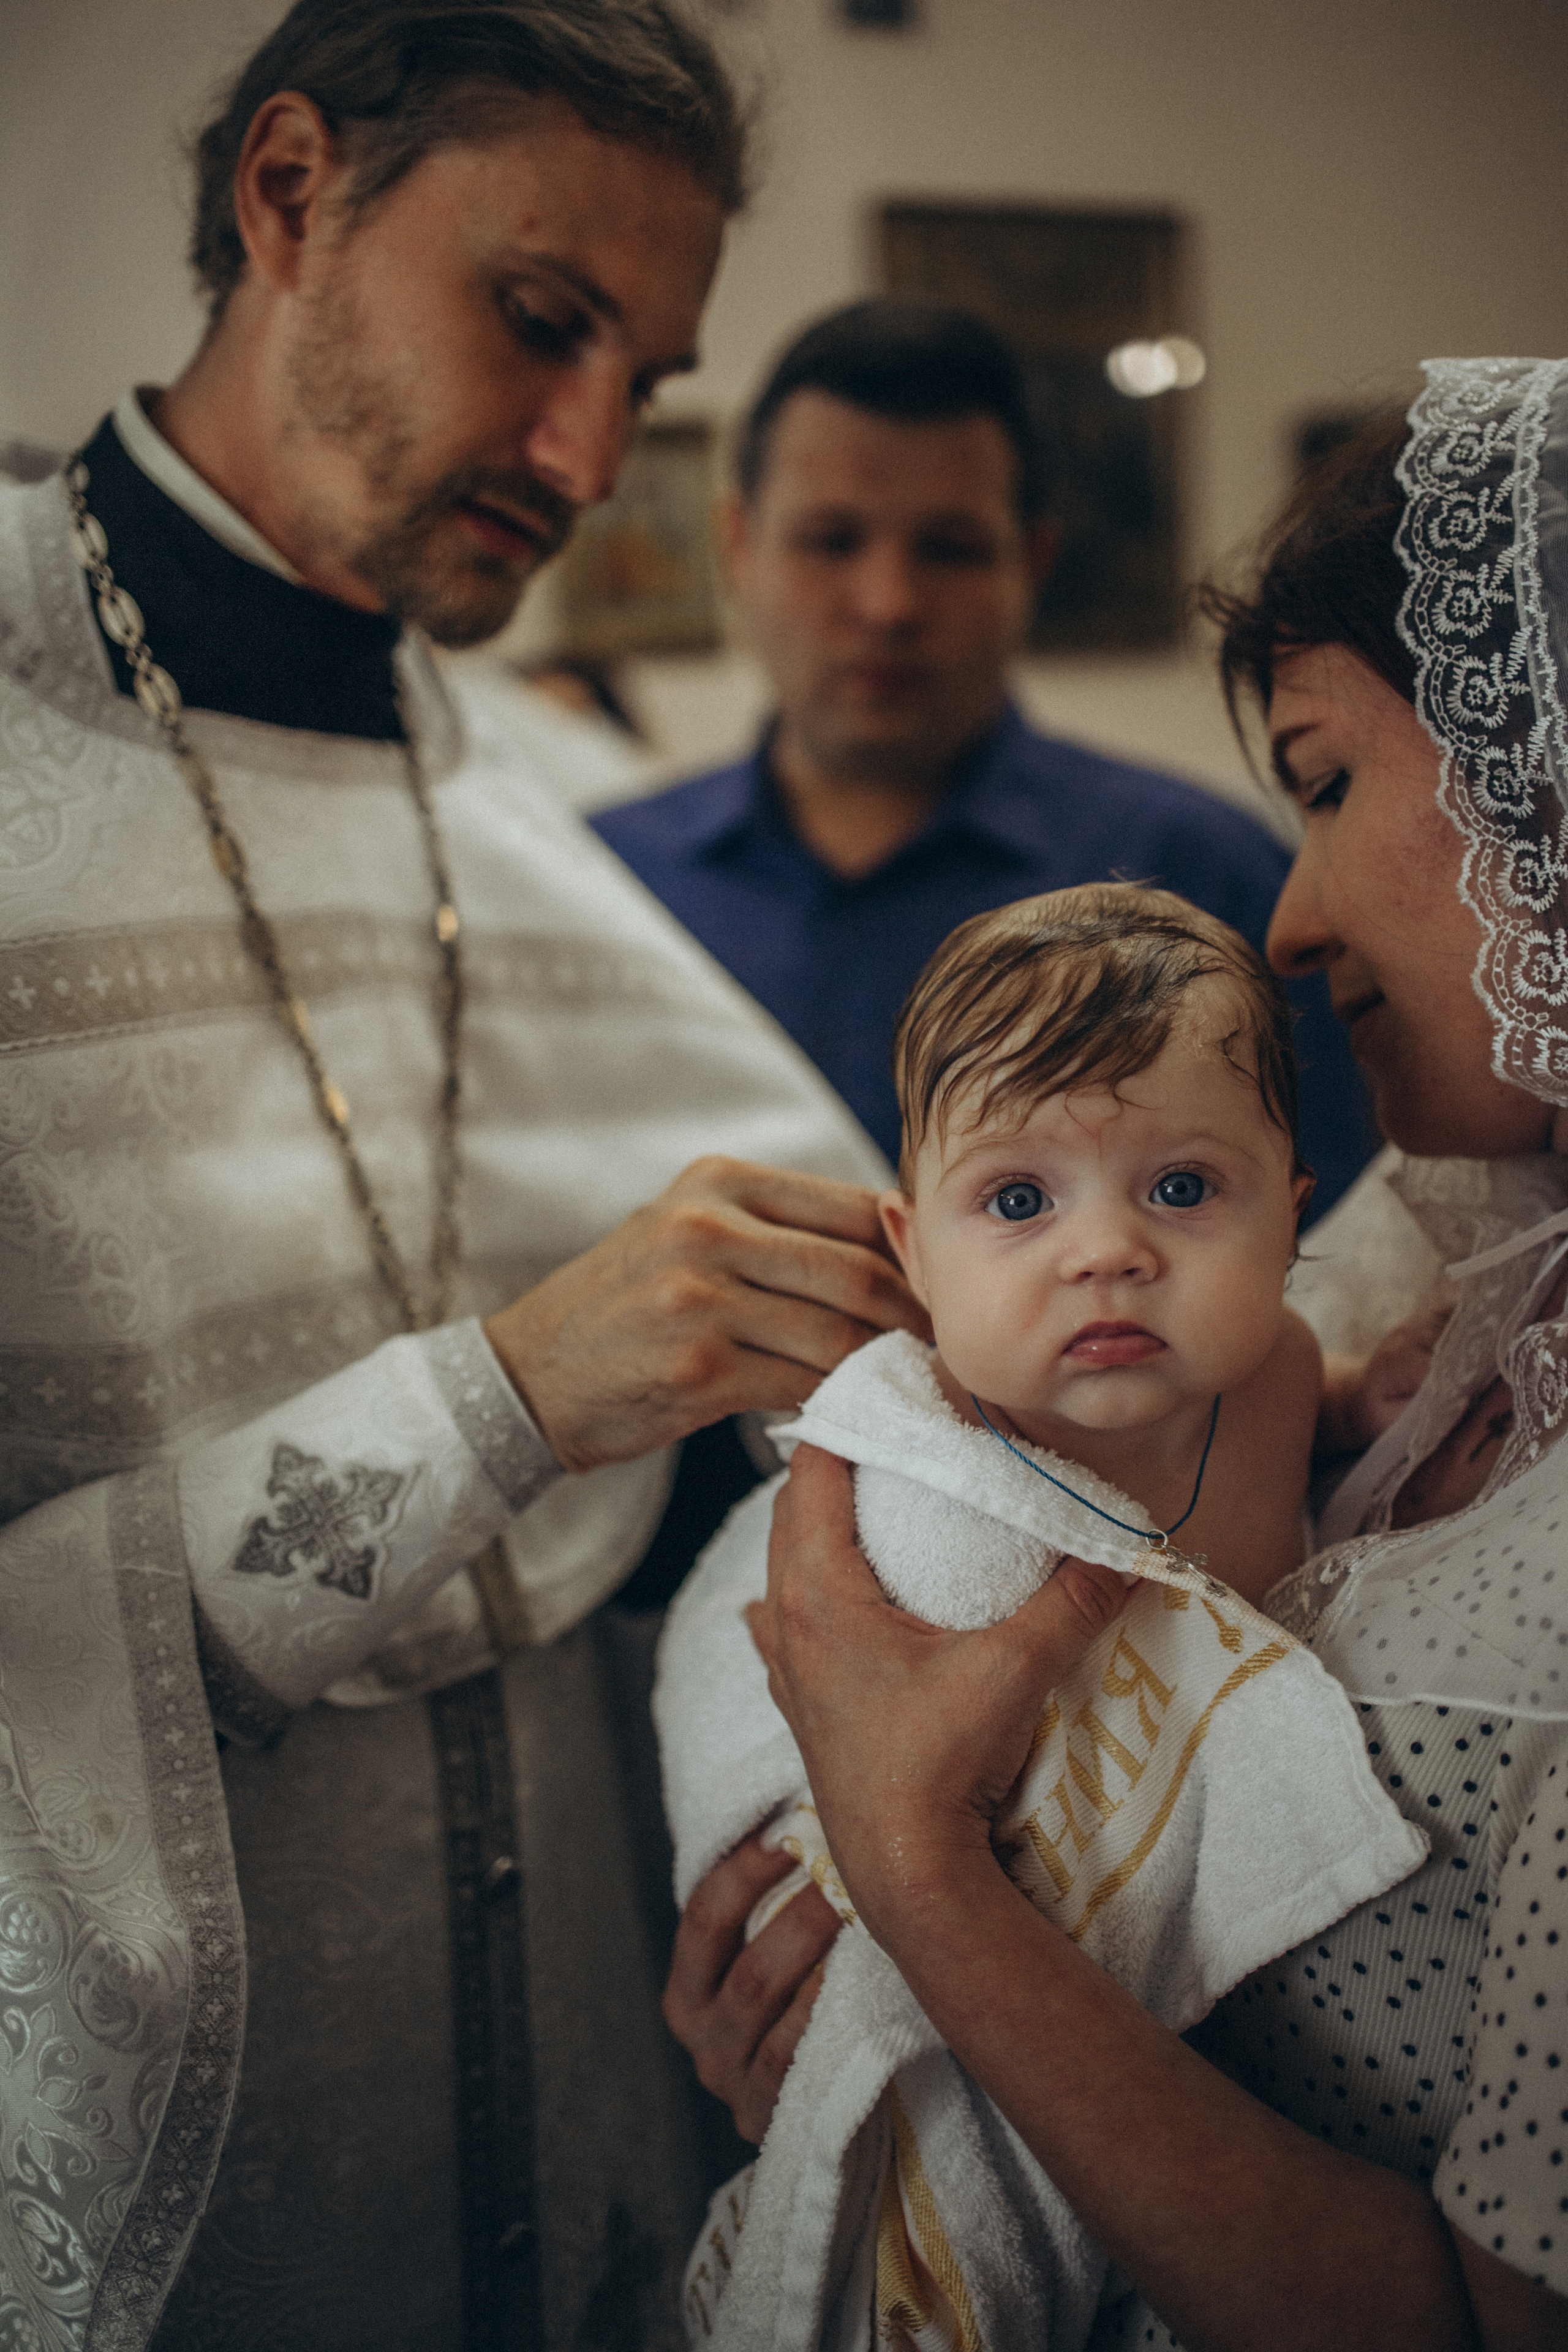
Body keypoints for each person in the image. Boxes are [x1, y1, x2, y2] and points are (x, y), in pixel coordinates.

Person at [0, 8, 929, 2349]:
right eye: (542, 320)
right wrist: (497, 1399)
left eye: (651, 371)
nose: (595, 449)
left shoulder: (508, 781)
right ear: (288, 192)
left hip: (602, 2135)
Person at [665, 366, 1568, 2352]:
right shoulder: (1458, 1254)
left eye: (1324, 785)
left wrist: (924, 1901)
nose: (1294, 919)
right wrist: (843, 2015)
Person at [654, 883, 1429, 2346]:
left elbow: (1299, 1419)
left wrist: (1351, 1408)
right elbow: (779, 1672)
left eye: (1183, 1189)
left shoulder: (1272, 1380)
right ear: (913, 1247)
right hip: (938, 1910)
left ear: (1290, 1212)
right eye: (1017, 1202)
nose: (1106, 1252)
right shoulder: (921, 1473)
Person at [591, 300, 1377, 1219]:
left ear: (1032, 563)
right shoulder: (604, 885)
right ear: (739, 547)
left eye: (950, 548)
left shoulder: (1207, 876)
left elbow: (1326, 1266)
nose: (888, 602)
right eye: (832, 541)